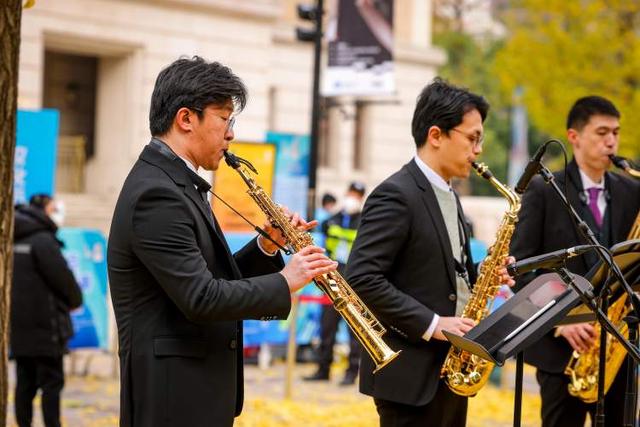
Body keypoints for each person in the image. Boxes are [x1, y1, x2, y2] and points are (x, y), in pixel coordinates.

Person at [107, 56, 337, 427]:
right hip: (173, 402)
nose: (231, 133)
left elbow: (211, 278)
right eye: (224, 118)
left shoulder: (175, 183)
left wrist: (266, 247)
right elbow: (200, 297)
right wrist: (286, 280)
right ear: (186, 119)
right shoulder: (157, 194)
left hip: (191, 395)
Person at [345, 78, 515, 426]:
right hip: (409, 377)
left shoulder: (450, 195)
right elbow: (361, 278)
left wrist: (485, 271)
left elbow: (444, 271)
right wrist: (434, 324)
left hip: (450, 370)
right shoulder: (395, 194)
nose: (478, 150)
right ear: (436, 135)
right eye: (472, 138)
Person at [510, 96, 640, 427]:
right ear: (574, 137)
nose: (611, 141)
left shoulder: (631, 190)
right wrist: (559, 321)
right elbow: (520, 272)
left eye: (616, 132)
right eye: (601, 132)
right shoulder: (543, 190)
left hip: (618, 353)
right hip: (561, 356)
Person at [10, 194, 83, 427]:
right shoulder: (43, 241)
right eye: (53, 208)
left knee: (25, 384)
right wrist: (75, 300)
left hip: (20, 330)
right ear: (42, 210)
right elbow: (63, 280)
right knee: (51, 385)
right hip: (46, 330)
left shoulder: (13, 239)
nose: (56, 212)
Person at [305, 182, 366, 386]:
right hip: (332, 280)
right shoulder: (334, 219)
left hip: (354, 283)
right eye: (352, 193)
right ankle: (323, 369)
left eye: (358, 195)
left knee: (354, 331)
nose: (353, 198)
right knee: (327, 327)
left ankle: (351, 372)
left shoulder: (365, 222)